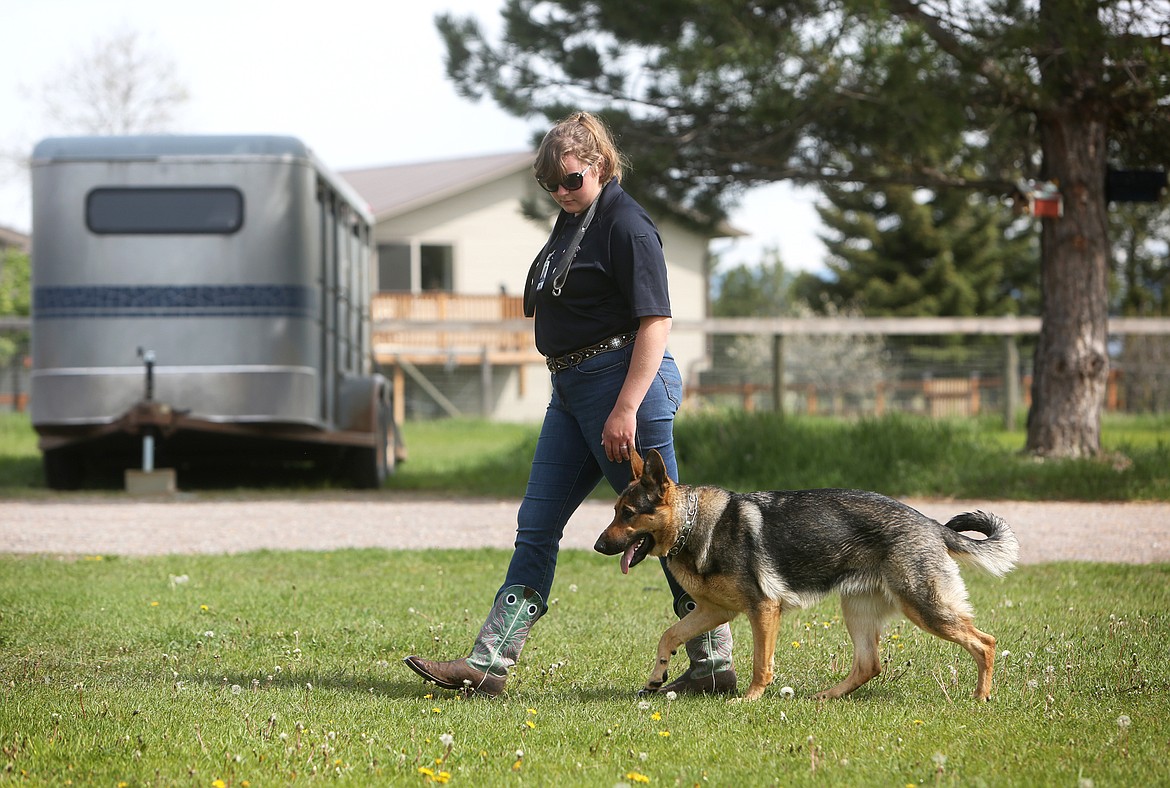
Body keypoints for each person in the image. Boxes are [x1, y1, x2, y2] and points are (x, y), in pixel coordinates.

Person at [402, 111, 735, 697]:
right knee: (536, 523)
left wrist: (626, 408)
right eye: (549, 185)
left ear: (600, 166)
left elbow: (655, 324)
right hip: (572, 391)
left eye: (571, 180)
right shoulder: (573, 220)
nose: (561, 192)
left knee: (668, 531)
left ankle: (712, 663)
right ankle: (488, 666)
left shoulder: (627, 226)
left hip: (622, 389)